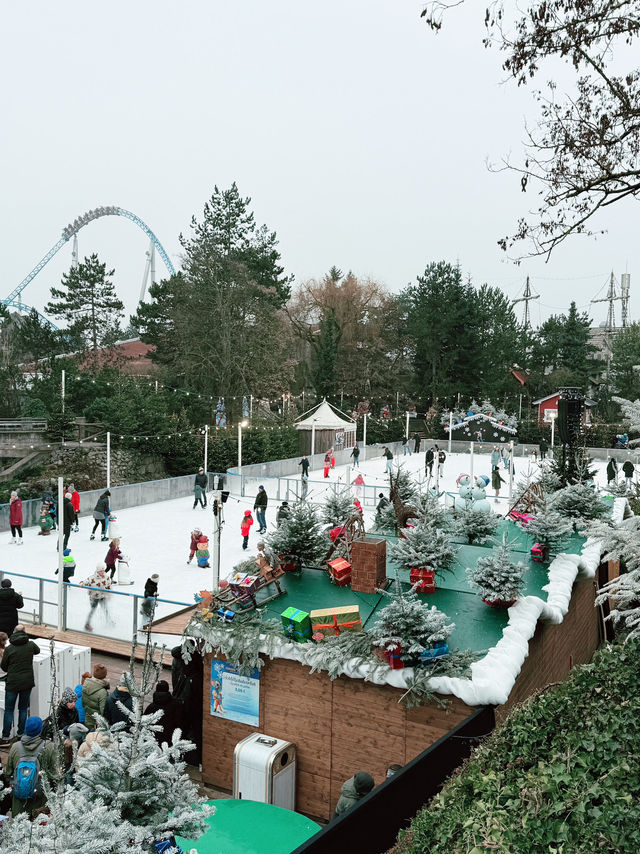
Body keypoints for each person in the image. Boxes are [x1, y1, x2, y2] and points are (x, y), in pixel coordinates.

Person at [4, 716, 57, 818]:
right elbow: (55, 776)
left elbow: (7, 774)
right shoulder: (49, 747)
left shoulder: (15, 747)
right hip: (41, 804)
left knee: (19, 831)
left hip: (19, 804)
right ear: (40, 730)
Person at [0, 625, 40, 744]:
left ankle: (6, 737)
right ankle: (20, 734)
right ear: (24, 632)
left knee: (9, 710)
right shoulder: (31, 644)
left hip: (12, 683)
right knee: (22, 709)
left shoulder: (9, 648)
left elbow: (4, 667)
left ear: (14, 632)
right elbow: (38, 651)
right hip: (27, 682)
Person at [144, 679, 181, 745]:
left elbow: (144, 722)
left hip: (154, 741)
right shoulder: (176, 705)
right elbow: (180, 722)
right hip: (171, 740)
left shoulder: (151, 707)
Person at [81, 564, 112, 632]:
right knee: (92, 610)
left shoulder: (106, 578)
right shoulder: (92, 578)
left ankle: (109, 621)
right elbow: (86, 581)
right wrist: (82, 583)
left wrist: (108, 595)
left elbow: (109, 586)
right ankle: (87, 624)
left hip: (102, 596)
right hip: (94, 597)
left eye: (103, 571)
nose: (102, 572)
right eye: (101, 571)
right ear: (97, 571)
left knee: (105, 609)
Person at [82, 664, 110, 729]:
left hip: (87, 717)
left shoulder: (85, 684)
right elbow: (103, 711)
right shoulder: (102, 692)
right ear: (104, 676)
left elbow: (83, 703)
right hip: (97, 723)